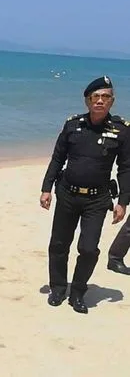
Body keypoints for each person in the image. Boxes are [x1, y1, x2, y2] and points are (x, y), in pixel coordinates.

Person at [40, 76, 129, 313]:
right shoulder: (73, 125)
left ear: (112, 101)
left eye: (105, 97)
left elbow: (125, 168)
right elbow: (57, 158)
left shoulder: (121, 130)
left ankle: (78, 292)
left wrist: (123, 202)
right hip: (67, 195)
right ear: (88, 100)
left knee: (89, 248)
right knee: (59, 244)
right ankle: (58, 288)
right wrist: (46, 188)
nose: (100, 101)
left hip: (97, 200)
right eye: (95, 97)